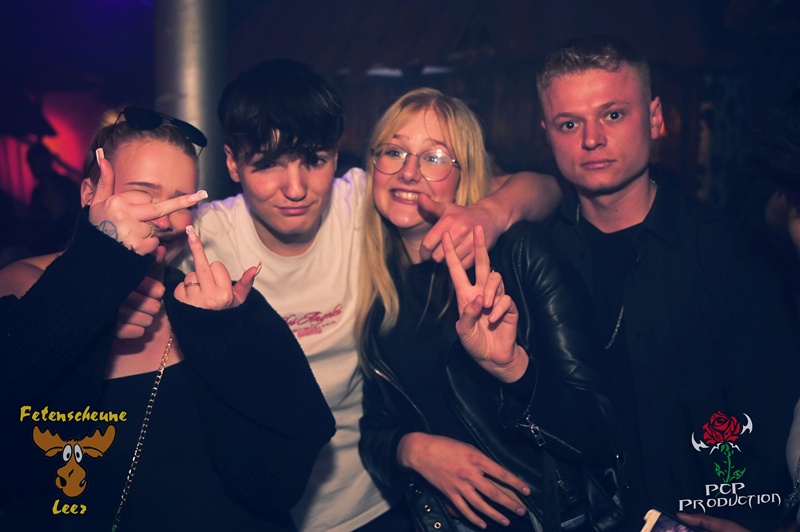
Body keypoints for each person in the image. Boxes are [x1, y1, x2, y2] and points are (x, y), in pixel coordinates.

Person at [167, 59, 564, 531]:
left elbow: (545, 187)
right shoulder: (204, 237)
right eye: (268, 164)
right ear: (232, 162)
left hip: (372, 504)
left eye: (314, 160)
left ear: (336, 156)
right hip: (253, 507)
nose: (295, 189)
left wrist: (493, 213)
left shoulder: (361, 201)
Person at [0, 108, 334, 530]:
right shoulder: (23, 287)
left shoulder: (215, 304)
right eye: (144, 194)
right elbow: (23, 463)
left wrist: (222, 336)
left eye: (183, 200)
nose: (164, 218)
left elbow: (280, 480)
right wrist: (93, 296)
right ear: (89, 193)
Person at [538, 36, 800, 529]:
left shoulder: (732, 254)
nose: (591, 139)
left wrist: (750, 521)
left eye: (613, 114)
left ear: (655, 118)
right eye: (569, 123)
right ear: (547, 135)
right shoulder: (537, 257)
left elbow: (769, 418)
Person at [355, 87, 623, 532]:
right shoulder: (381, 289)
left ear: (466, 175)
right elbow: (374, 431)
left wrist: (515, 369)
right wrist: (414, 450)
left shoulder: (518, 254)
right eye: (394, 151)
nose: (409, 172)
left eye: (434, 157)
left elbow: (602, 431)